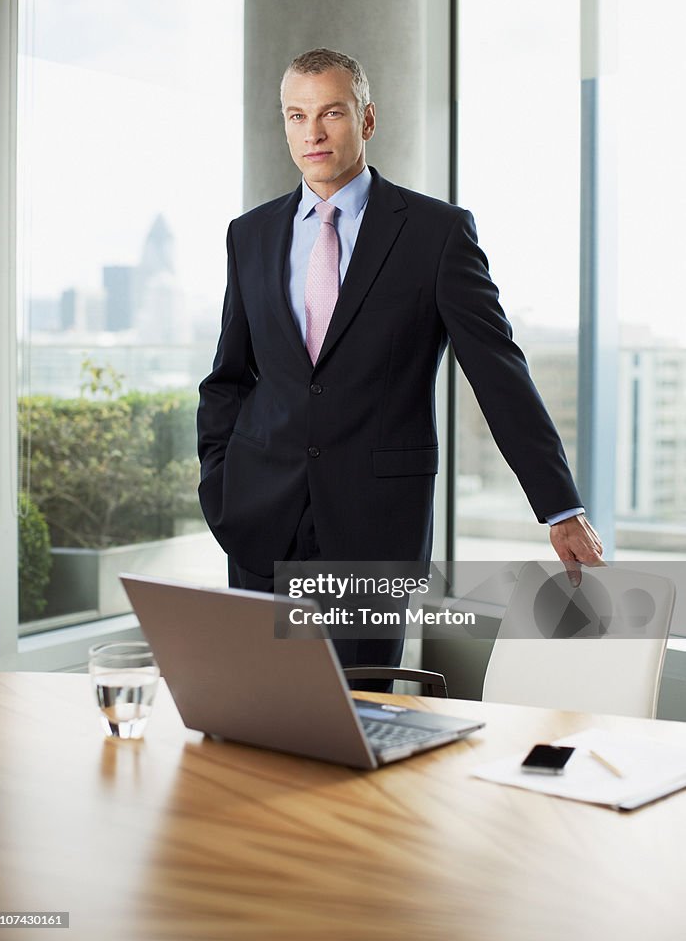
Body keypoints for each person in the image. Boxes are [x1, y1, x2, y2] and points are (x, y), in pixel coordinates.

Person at [197, 47, 604, 673]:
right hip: (260, 513)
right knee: (262, 707)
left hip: (373, 524)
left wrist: (559, 506)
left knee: (361, 711)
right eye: (296, 115)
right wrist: (220, 482)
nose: (312, 132)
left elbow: (499, 372)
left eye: (330, 112)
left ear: (366, 119)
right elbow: (228, 377)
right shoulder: (248, 233)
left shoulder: (435, 234)